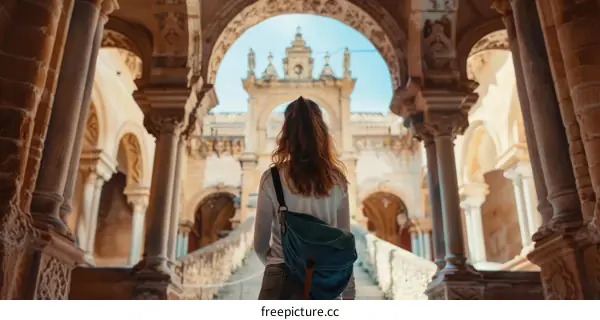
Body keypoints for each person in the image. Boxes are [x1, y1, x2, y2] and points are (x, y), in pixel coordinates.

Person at [254, 96, 356, 300]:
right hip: (324, 280)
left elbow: (259, 244)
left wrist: (278, 262)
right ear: (323, 133)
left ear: (286, 134)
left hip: (280, 280)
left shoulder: (272, 178)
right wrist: (349, 292)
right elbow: (344, 242)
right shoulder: (338, 180)